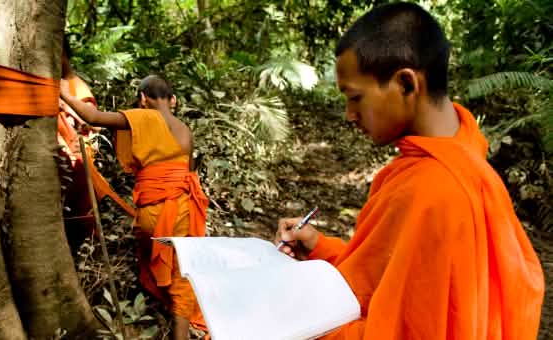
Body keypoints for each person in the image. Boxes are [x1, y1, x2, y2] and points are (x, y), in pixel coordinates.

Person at [275, 3, 544, 339]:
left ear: (405, 83)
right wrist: (320, 247)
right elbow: (392, 278)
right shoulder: (460, 153)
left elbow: (402, 329)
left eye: (355, 98)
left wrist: (298, 322)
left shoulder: (433, 191)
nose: (349, 114)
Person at [60, 75, 208, 340]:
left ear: (142, 99)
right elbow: (190, 172)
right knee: (182, 273)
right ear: (172, 100)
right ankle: (180, 333)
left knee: (161, 266)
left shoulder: (143, 117)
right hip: (185, 207)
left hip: (156, 210)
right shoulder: (185, 129)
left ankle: (163, 319)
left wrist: (65, 95)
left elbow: (92, 117)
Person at [57, 38, 135, 251]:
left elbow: (91, 125)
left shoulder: (77, 87)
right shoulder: (60, 84)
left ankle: (89, 251)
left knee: (82, 211)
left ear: (64, 56)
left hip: (78, 159)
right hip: (65, 157)